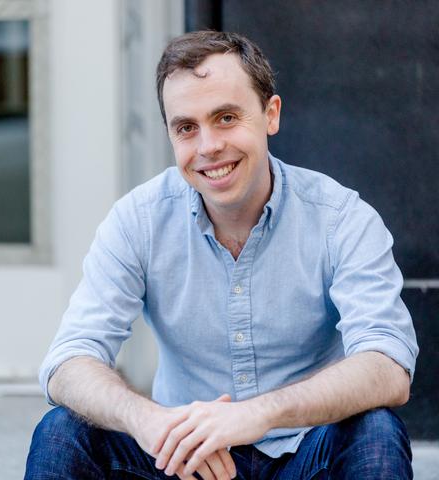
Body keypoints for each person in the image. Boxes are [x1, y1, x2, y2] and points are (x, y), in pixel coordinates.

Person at [25, 30, 418, 479]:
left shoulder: (339, 217)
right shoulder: (138, 219)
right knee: (61, 432)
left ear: (270, 114)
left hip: (305, 454)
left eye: (226, 117)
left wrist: (258, 414)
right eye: (186, 127)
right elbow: (68, 361)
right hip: (182, 459)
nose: (208, 146)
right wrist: (149, 420)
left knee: (376, 431)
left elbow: (388, 363)